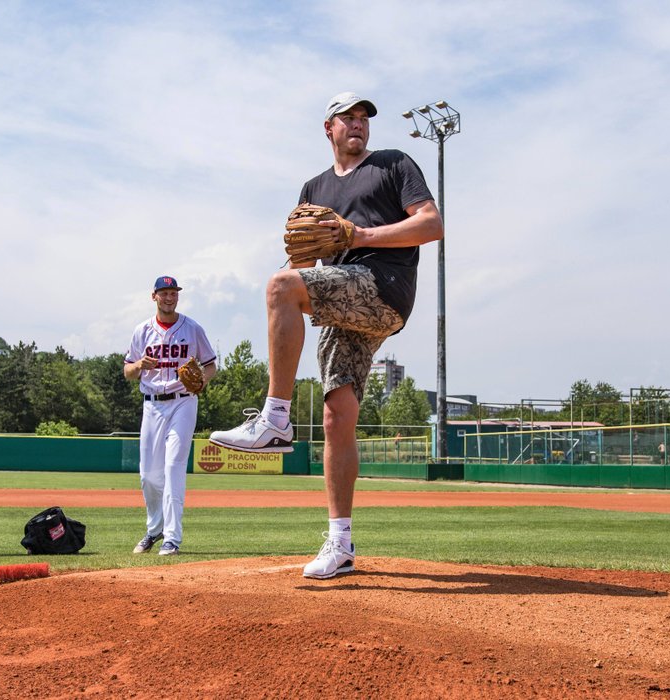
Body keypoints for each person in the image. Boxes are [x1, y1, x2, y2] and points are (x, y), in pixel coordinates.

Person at [210, 92, 443, 579]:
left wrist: (357, 236)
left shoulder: (393, 165)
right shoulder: (313, 188)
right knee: (337, 416)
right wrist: (292, 271)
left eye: (364, 119)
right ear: (328, 128)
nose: (358, 125)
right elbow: (301, 269)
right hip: (340, 304)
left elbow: (431, 224)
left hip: (383, 288)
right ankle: (340, 544)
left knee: (279, 287)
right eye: (348, 118)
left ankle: (275, 418)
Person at [125, 276, 217, 556]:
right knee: (149, 476)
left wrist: (202, 380)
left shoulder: (191, 328)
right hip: (152, 403)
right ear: (154, 296)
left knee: (173, 467)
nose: (169, 297)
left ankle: (172, 539)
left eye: (173, 292)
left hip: (183, 402)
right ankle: (155, 529)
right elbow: (128, 372)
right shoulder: (142, 330)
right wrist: (140, 363)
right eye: (164, 293)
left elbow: (210, 365)